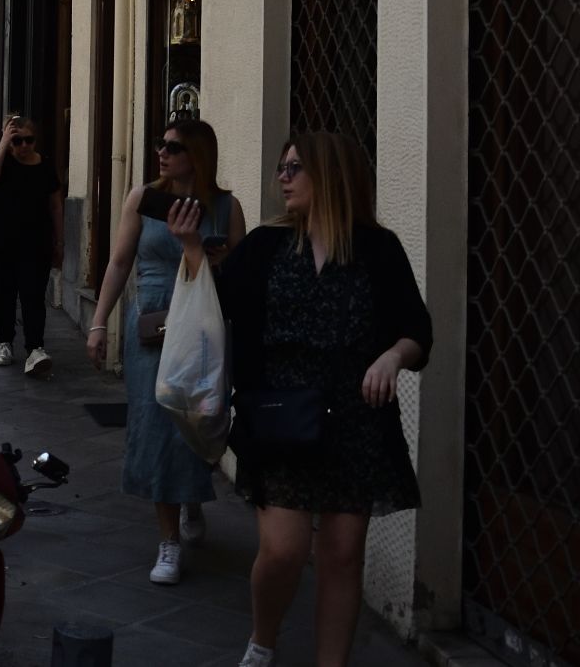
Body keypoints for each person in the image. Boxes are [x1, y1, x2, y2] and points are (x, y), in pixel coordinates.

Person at [168, 131, 431, 667]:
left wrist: (392, 357)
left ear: (329, 175)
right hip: (281, 417)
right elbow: (217, 307)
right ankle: (263, 639)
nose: (281, 178)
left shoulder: (377, 249)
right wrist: (193, 249)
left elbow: (416, 331)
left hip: (356, 421)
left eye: (294, 168)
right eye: (281, 168)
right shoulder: (267, 246)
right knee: (284, 549)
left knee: (340, 554)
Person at [86, 118, 247, 586]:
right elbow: (119, 263)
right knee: (158, 425)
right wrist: (99, 323)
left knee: (198, 423)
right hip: (154, 330)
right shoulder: (143, 199)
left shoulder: (224, 207)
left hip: (204, 333)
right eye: (161, 143)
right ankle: (169, 540)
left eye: (173, 147)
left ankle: (191, 497)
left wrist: (218, 262)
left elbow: (241, 276)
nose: (162, 152)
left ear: (196, 155)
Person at [0, 114, 64, 376]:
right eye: (18, 141)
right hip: (1, 240)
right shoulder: (2, 162)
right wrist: (3, 142)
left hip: (36, 242)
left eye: (29, 140)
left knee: (33, 296)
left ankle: (35, 347)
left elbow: (55, 205)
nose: (24, 146)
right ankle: (5, 342)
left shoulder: (46, 166)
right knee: (4, 294)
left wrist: (59, 241)